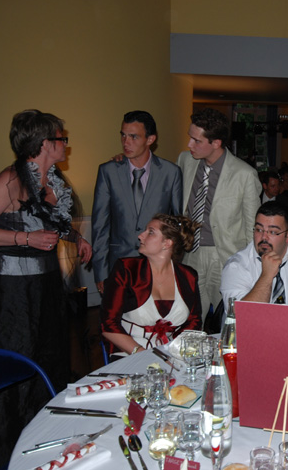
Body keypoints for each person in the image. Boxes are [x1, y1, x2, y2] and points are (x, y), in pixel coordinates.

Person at [0, 109, 92, 470]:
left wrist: (75, 238)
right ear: (44, 143)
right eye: (61, 138)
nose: (66, 144)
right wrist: (25, 238)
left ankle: (42, 436)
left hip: (46, 282)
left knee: (49, 353)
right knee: (15, 357)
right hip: (10, 288)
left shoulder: (54, 180)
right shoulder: (9, 179)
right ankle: (2, 446)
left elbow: (51, 223)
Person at [177, 108, 260, 323]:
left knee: (231, 321)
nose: (189, 144)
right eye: (190, 138)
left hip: (226, 256)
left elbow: (253, 226)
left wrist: (250, 266)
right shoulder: (185, 160)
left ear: (216, 143)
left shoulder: (245, 174)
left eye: (196, 140)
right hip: (190, 253)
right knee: (189, 318)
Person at [92, 111, 183, 294]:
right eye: (123, 135)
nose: (126, 142)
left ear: (150, 139)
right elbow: (100, 226)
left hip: (158, 266)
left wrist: (174, 267)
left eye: (133, 137)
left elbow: (176, 224)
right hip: (118, 265)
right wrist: (100, 272)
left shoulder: (170, 172)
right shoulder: (108, 172)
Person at [101, 214, 202, 355]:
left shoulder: (188, 276)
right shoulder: (127, 269)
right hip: (129, 352)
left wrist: (174, 352)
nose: (140, 236)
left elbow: (194, 322)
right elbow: (108, 324)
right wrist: (143, 354)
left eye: (150, 232)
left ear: (167, 243)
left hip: (171, 352)